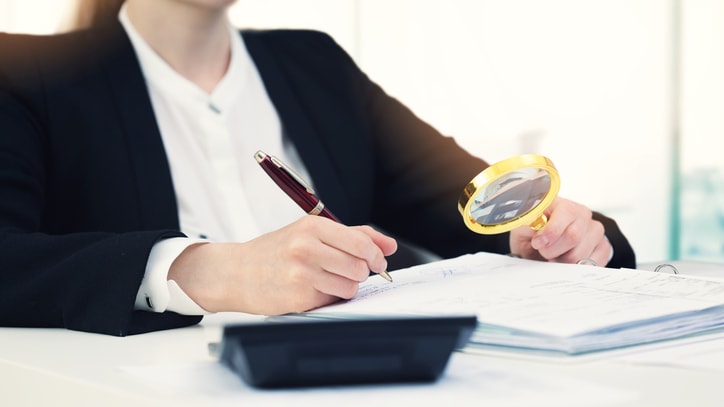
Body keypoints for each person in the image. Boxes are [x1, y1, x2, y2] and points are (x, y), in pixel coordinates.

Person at [0, 0, 636, 336]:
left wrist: (542, 237)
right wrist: (203, 270)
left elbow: (469, 203)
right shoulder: (28, 74)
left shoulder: (313, 65)